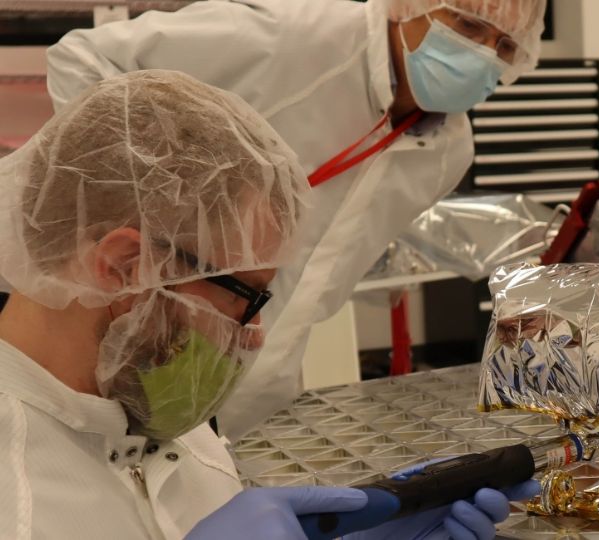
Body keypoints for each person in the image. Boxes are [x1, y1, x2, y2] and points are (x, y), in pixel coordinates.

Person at [0, 70, 536, 540]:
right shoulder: (18, 496)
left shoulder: (148, 406)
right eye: (244, 297)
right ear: (123, 265)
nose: (254, 333)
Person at [45, 0, 548, 439]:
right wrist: (150, 200)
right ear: (409, 5)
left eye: (504, 45)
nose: (482, 52)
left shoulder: (449, 151)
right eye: (466, 25)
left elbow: (333, 254)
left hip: (258, 373)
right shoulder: (296, 36)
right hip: (122, 320)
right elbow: (84, 58)